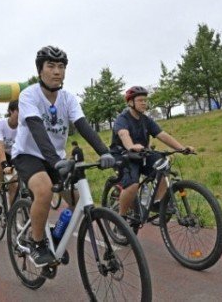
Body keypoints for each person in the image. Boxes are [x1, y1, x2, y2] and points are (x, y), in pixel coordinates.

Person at [12, 45, 115, 266]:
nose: (57, 71)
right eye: (51, 66)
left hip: (56, 158)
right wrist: (56, 161)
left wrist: (105, 152)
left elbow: (83, 126)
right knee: (44, 190)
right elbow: (37, 130)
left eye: (61, 67)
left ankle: (56, 236)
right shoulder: (28, 95)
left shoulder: (68, 98)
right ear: (40, 70)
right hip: (28, 154)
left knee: (78, 201)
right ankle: (37, 242)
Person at [110, 86, 194, 222]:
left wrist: (181, 148)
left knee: (162, 164)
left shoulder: (146, 120)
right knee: (132, 185)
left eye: (145, 100)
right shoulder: (122, 119)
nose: (144, 103)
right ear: (131, 102)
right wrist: (131, 146)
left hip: (142, 154)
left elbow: (162, 135)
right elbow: (123, 134)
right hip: (123, 155)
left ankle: (157, 202)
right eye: (140, 100)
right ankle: (121, 219)